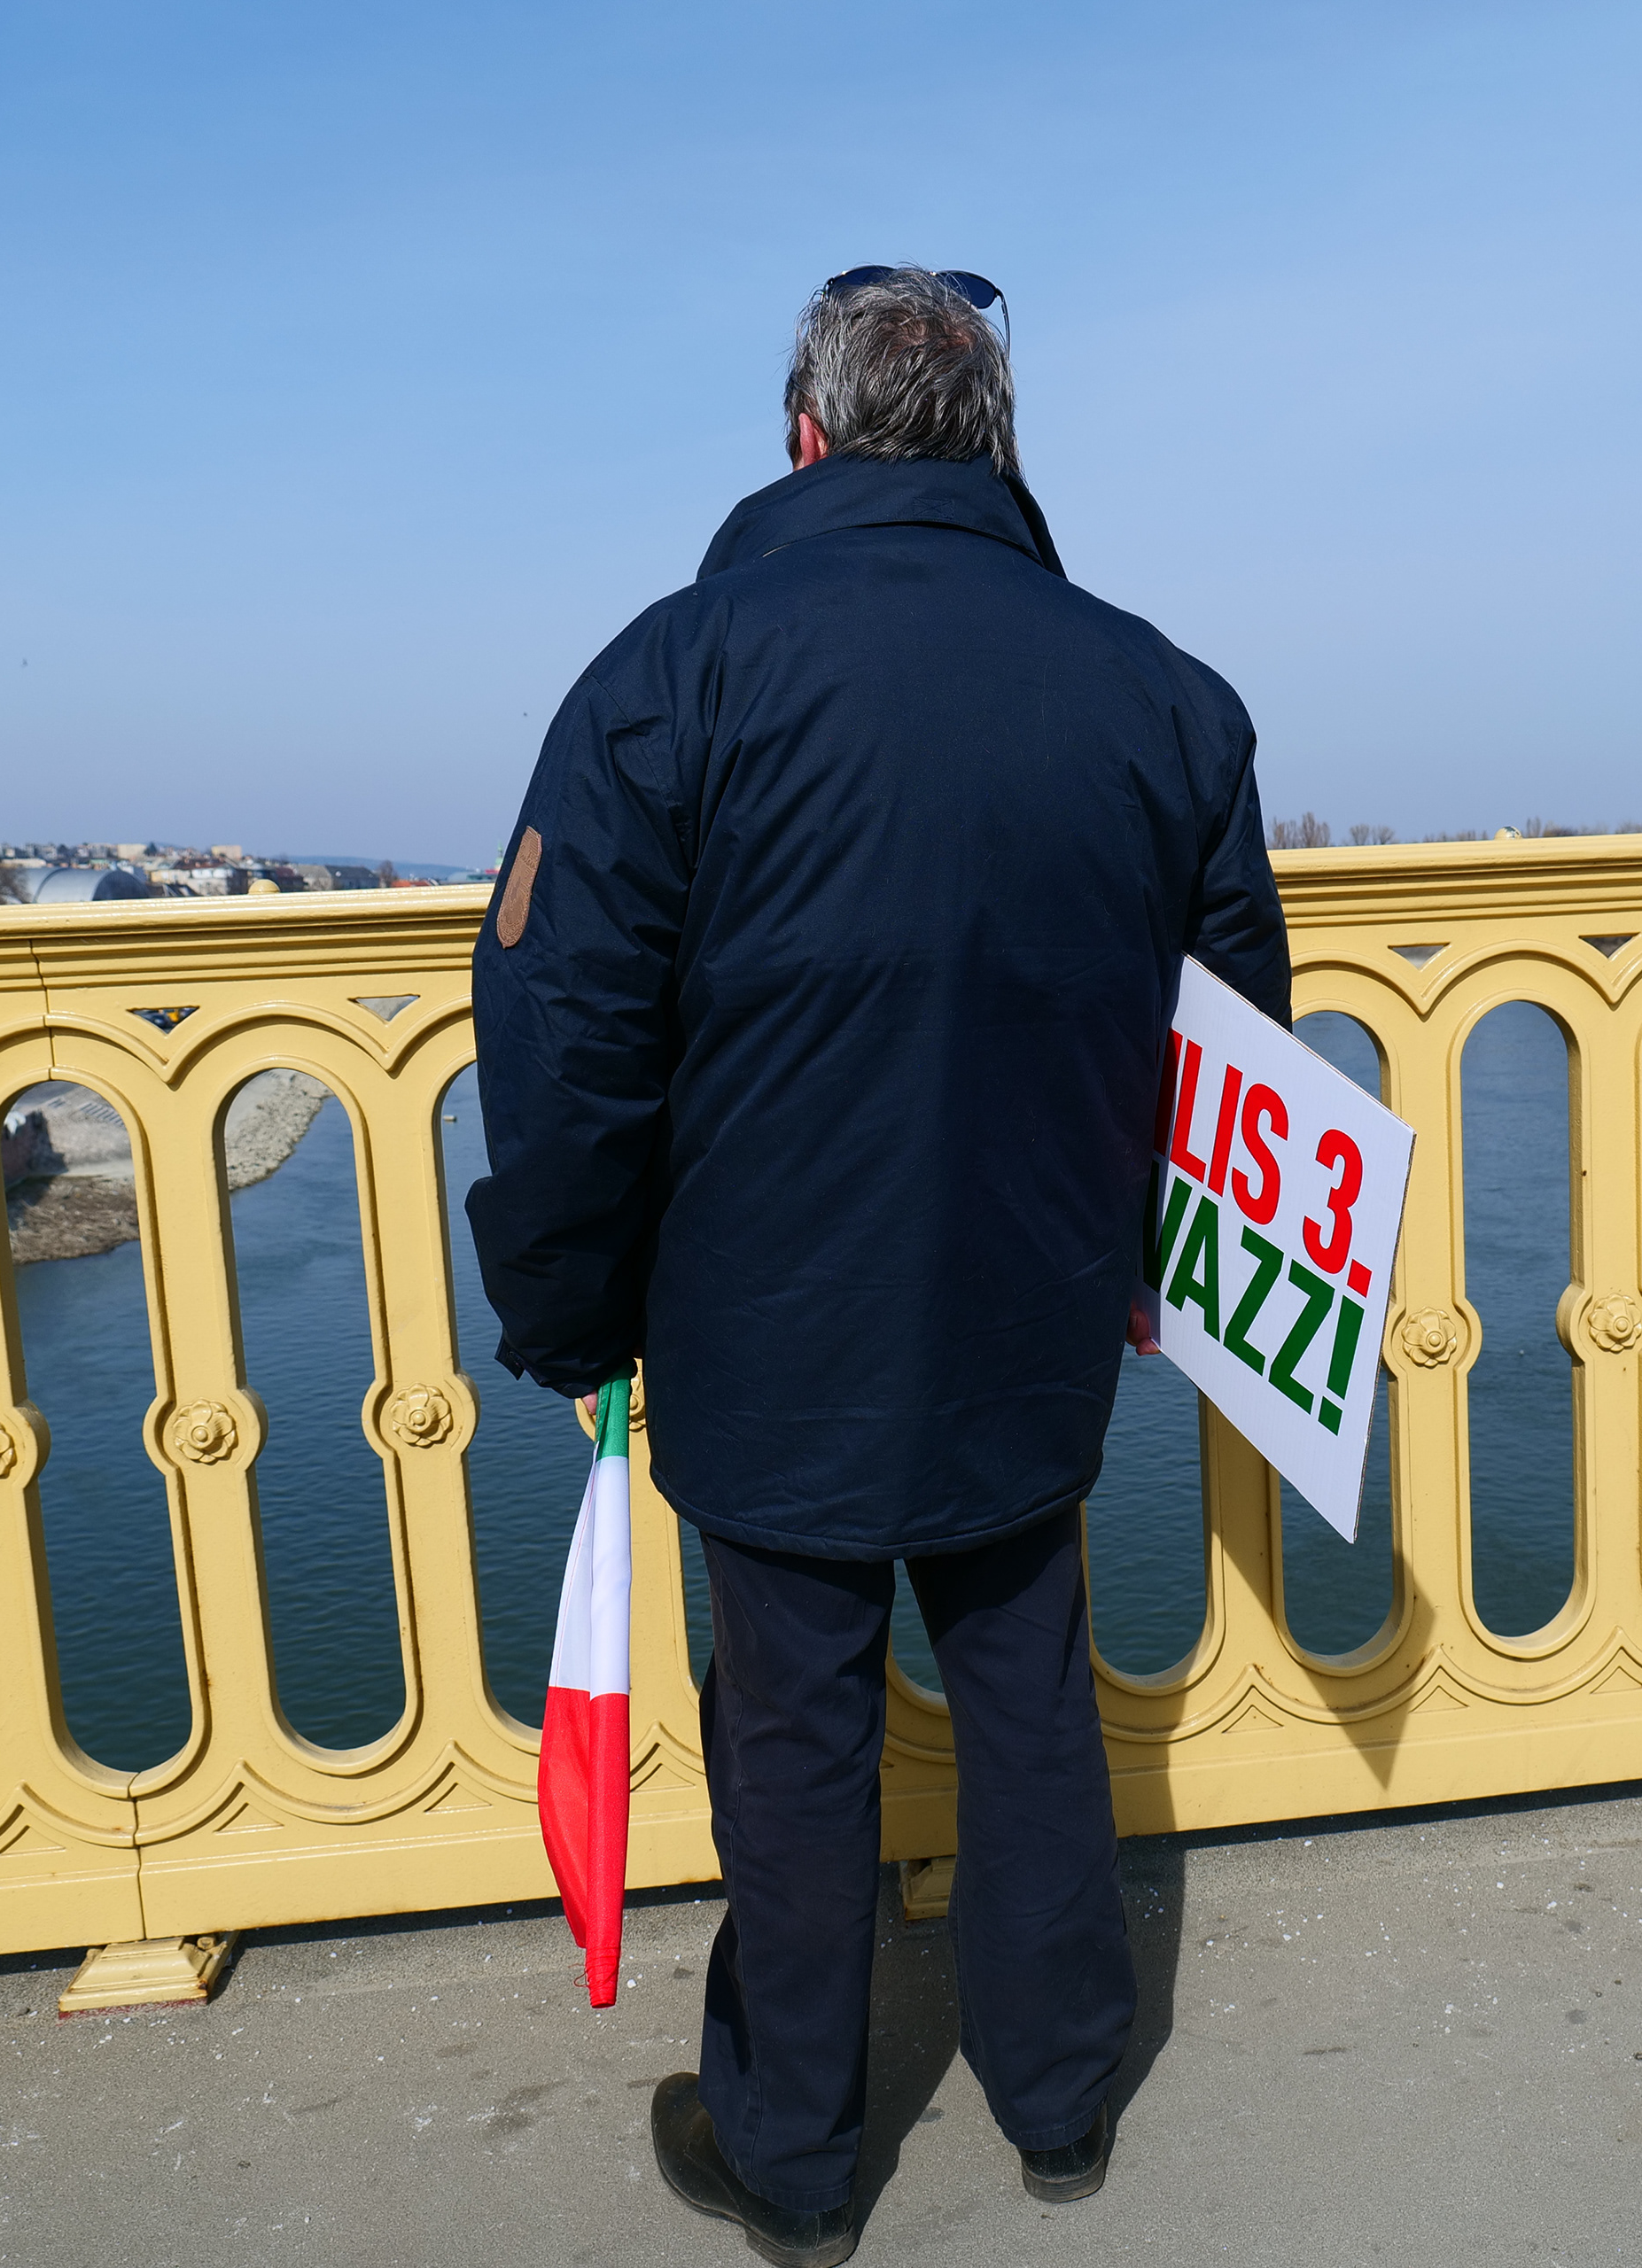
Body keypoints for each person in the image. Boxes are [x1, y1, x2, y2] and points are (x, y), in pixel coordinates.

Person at [467, 265, 1287, 2265]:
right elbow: (1234, 1042)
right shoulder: (1166, 696)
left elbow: (562, 1037)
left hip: (767, 1325)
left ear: (805, 433)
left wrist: (568, 1308)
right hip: (1032, 1304)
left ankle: (796, 2156)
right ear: (996, 439)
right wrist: (1149, 1267)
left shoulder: (670, 678)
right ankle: (1063, 2095)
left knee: (793, 1738)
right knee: (1027, 1689)